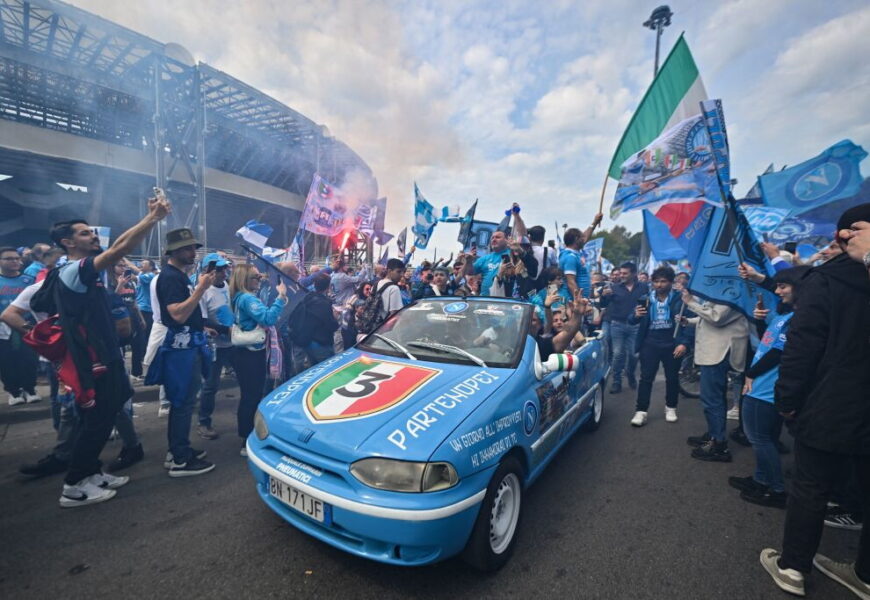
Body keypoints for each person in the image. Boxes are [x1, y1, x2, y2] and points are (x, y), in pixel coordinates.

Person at [761, 204, 870, 598]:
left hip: (829, 405)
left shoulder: (823, 282)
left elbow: (802, 348)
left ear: (844, 236)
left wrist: (786, 400)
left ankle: (793, 567)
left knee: (810, 486)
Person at [46, 195, 169, 506]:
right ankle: (74, 485)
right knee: (98, 418)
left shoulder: (88, 267)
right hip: (93, 358)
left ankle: (91, 472)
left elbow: (118, 247)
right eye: (84, 233)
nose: (93, 236)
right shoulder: (74, 271)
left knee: (110, 410)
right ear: (67, 242)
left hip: (107, 353)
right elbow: (121, 249)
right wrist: (153, 219)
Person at [729, 266, 808, 510]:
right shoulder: (785, 315)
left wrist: (749, 374)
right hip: (762, 384)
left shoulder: (799, 318)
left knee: (760, 439)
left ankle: (776, 489)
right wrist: (761, 322)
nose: (778, 291)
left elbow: (777, 353)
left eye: (783, 286)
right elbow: (768, 342)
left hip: (765, 388)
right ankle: (760, 480)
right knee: (765, 438)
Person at [151, 228, 216, 477]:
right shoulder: (170, 277)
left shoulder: (177, 276)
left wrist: (203, 327)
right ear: (173, 251)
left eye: (194, 248)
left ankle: (179, 450)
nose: (193, 252)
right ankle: (179, 459)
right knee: (182, 402)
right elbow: (177, 313)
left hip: (188, 344)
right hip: (181, 350)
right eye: (188, 248)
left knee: (186, 402)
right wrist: (201, 288)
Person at [681, 291, 748, 463]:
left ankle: (719, 444)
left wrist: (691, 302)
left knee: (712, 399)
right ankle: (713, 434)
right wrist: (688, 321)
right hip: (715, 351)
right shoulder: (723, 289)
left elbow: (717, 317)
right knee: (714, 397)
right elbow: (708, 317)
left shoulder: (732, 291)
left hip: (719, 352)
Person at [229, 263, 286, 456]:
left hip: (245, 353)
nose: (259, 280)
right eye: (255, 277)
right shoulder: (247, 298)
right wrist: (281, 298)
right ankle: (246, 439)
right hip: (250, 354)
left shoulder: (239, 297)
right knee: (251, 396)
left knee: (249, 395)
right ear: (245, 279)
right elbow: (268, 318)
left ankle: (246, 435)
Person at [627, 266, 692, 427]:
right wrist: (636, 315)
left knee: (672, 377)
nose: (659, 285)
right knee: (646, 378)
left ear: (671, 282)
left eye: (663, 281)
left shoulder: (680, 299)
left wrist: (684, 343)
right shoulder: (645, 298)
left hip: (672, 341)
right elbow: (631, 319)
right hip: (650, 342)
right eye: (656, 281)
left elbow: (690, 323)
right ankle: (641, 411)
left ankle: (670, 407)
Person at [198, 253, 234, 440]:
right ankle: (204, 422)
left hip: (231, 342)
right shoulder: (203, 291)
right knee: (211, 385)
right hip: (215, 345)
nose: (222, 273)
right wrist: (224, 330)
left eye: (223, 269)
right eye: (218, 269)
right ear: (208, 271)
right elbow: (202, 321)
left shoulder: (226, 286)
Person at [599, 262, 647, 393]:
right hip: (617, 325)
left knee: (634, 354)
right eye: (621, 273)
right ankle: (616, 381)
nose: (622, 275)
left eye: (625, 273)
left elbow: (649, 303)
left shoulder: (643, 287)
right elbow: (603, 304)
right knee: (617, 354)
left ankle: (630, 374)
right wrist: (603, 296)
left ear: (634, 274)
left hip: (636, 326)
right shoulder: (614, 287)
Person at [0, 247, 38, 406]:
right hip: (2, 329)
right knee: (6, 361)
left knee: (29, 358)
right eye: (9, 259)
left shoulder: (29, 280)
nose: (14, 261)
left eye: (16, 258)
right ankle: (13, 391)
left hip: (27, 326)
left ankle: (30, 389)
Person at [292, 272, 337, 365]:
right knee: (326, 372)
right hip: (321, 343)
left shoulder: (306, 298)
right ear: (328, 287)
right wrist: (335, 317)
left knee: (314, 369)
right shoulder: (323, 303)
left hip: (307, 342)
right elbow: (332, 325)